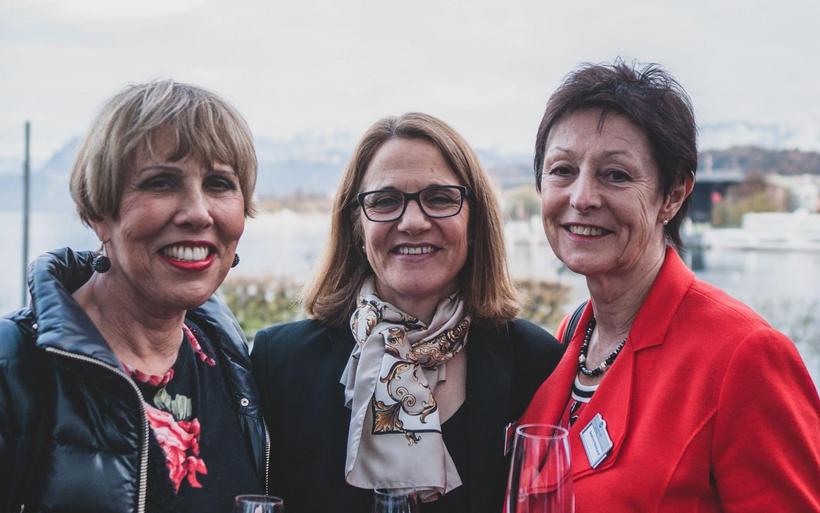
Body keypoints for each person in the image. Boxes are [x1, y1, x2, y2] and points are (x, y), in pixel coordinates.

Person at [518, 61, 820, 512]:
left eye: (616, 175)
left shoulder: (743, 356)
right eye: (562, 170)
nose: (581, 198)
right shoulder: (571, 336)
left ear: (674, 195)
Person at [252, 112, 564, 513]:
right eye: (385, 201)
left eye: (440, 198)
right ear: (356, 225)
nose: (413, 222)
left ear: (474, 222)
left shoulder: (534, 362)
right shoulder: (280, 363)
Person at [0, 81, 269, 513]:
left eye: (219, 184)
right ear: (98, 212)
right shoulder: (14, 369)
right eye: (161, 183)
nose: (198, 213)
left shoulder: (234, 363)